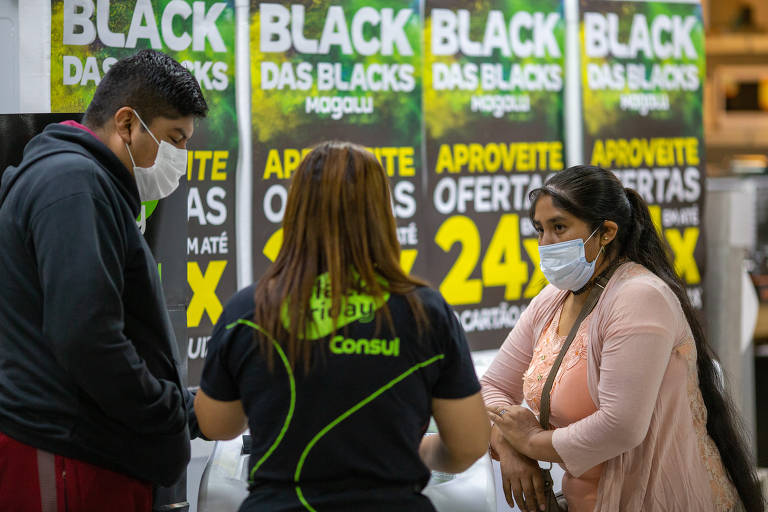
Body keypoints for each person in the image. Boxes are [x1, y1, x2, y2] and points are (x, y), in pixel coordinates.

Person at [194, 141, 490, 511]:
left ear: (296, 210)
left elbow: (216, 425)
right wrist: (424, 451)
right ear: (381, 211)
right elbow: (469, 444)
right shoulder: (425, 312)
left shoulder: (248, 310)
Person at [481, 165, 763, 512]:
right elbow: (491, 385)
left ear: (606, 232)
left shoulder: (638, 297)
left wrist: (531, 442)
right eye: (539, 230)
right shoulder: (554, 299)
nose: (545, 244)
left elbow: (619, 427)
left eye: (559, 227)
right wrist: (509, 447)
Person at [0, 49, 208, 511]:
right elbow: (86, 336)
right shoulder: (73, 185)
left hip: (90, 457)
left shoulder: (90, 185)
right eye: (175, 138)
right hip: (69, 459)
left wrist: (182, 407)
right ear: (128, 124)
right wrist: (168, 412)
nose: (181, 157)